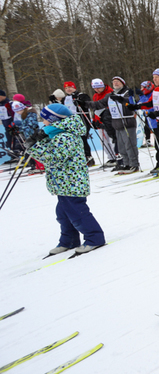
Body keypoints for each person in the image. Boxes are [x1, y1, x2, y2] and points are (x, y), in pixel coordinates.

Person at [28, 104, 105, 256]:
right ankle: (69, 240)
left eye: (45, 120)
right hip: (63, 182)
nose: (43, 123)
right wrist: (40, 140)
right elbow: (51, 151)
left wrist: (34, 148)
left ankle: (94, 237)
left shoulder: (66, 136)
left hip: (71, 182)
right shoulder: (57, 133)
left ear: (53, 120)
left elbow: (55, 158)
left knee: (77, 212)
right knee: (63, 213)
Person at [86, 76, 140, 173]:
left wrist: (121, 99)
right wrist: (84, 104)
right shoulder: (110, 95)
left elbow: (133, 103)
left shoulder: (127, 92)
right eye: (114, 82)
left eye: (117, 82)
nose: (115, 83)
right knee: (121, 146)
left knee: (129, 145)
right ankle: (126, 163)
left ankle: (134, 164)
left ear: (123, 83)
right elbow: (98, 104)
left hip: (127, 122)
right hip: (116, 123)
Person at [87, 78, 119, 166]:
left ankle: (116, 156)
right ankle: (111, 157)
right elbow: (95, 108)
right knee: (104, 141)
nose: (97, 90)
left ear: (103, 85)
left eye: (99, 87)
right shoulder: (95, 95)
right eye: (95, 88)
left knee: (112, 139)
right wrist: (94, 119)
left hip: (109, 119)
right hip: (100, 119)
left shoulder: (109, 93)